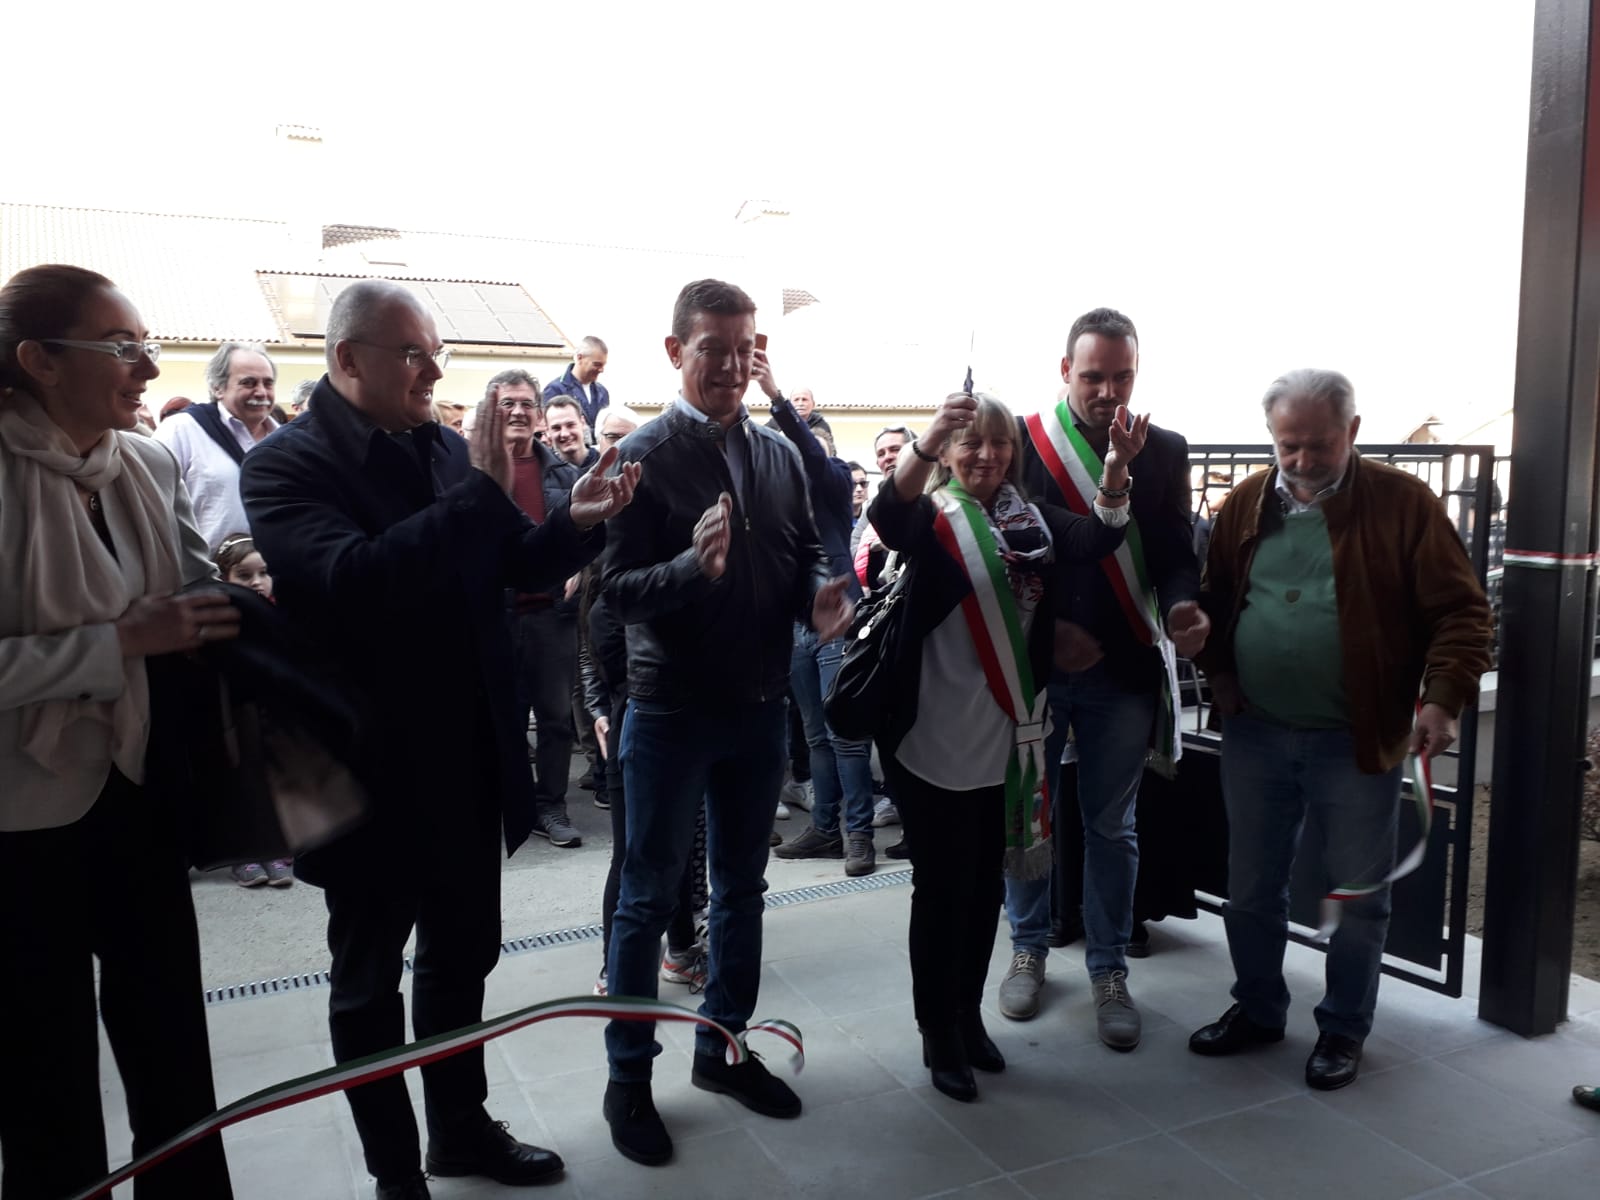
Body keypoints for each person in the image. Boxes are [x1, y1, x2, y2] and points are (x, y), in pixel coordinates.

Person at [240, 279, 638, 1199]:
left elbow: (509, 565)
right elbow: (355, 579)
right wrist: (481, 494)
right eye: (413, 354)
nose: (431, 371)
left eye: (435, 353)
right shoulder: (287, 466)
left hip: (465, 757)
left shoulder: (445, 452)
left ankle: (460, 1131)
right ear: (348, 359)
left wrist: (577, 524)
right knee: (368, 983)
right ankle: (393, 1170)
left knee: (462, 961)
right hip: (365, 770)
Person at [599, 278, 851, 1167]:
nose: (732, 366)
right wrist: (688, 570)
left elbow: (801, 554)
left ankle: (725, 1048)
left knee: (742, 889)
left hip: (757, 708)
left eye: (745, 350)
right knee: (646, 900)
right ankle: (628, 1077)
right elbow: (611, 593)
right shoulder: (639, 456)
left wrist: (817, 596)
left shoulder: (778, 454)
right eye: (714, 348)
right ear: (676, 351)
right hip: (670, 710)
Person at [0, 263, 239, 1197]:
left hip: (142, 790)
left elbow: (190, 585)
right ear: (39, 361)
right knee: (44, 1074)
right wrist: (117, 643)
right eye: (120, 346)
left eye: (145, 344)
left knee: (174, 1049)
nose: (147, 367)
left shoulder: (145, 461)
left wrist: (239, 583)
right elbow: (140, 630)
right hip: (22, 824)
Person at [1190, 368, 1492, 1091]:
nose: (1301, 460)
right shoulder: (1245, 503)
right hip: (1256, 732)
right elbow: (1217, 599)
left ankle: (1343, 1028)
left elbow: (1461, 612)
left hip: (1356, 738)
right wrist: (1218, 670)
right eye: (1287, 445)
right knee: (1249, 889)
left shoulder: (1403, 502)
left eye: (1319, 444)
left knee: (1358, 898)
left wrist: (1442, 699)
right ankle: (1258, 1007)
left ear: (1352, 431)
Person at [868, 388, 1134, 1101]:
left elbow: (1098, 537)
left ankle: (966, 1015)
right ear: (949, 452)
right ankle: (936, 1030)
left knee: (986, 884)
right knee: (941, 888)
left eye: (999, 442)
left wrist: (1114, 471)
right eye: (971, 443)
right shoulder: (933, 515)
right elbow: (887, 517)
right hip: (931, 731)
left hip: (1008, 733)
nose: (987, 455)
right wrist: (927, 440)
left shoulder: (1030, 518)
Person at [998, 307, 1209, 1056]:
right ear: (1065, 371)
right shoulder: (1020, 440)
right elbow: (1001, 554)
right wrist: (1045, 629)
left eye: (1123, 377)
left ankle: (1109, 968)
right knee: (1028, 814)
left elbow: (1174, 550)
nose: (1109, 392)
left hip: (1122, 669)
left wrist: (1181, 604)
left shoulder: (1165, 449)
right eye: (1093, 376)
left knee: (1113, 827)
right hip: (1036, 668)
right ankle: (1026, 949)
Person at [766, 380, 876, 875]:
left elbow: (810, 453)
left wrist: (776, 399)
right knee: (815, 737)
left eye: (803, 448)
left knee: (845, 734)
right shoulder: (777, 499)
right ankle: (826, 830)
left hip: (838, 620)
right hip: (796, 628)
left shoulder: (833, 482)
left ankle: (859, 835)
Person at [494, 369, 585, 848]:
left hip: (551, 615)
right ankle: (512, 805)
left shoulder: (564, 474)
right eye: (507, 403)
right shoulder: (474, 471)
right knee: (503, 721)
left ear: (539, 415)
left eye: (527, 403)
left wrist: (581, 565)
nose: (518, 411)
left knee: (555, 720)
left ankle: (551, 806)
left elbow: (588, 532)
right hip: (496, 617)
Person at [213, 531, 292, 886]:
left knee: (275, 780)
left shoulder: (281, 611)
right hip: (237, 714)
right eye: (244, 576)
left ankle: (277, 849)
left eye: (263, 573)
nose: (257, 582)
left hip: (275, 713)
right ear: (224, 577)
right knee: (243, 783)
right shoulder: (224, 618)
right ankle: (246, 854)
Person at [153, 341, 279, 550]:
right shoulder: (182, 430)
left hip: (281, 567)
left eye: (268, 383)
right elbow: (151, 508)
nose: (261, 392)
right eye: (248, 383)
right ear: (217, 388)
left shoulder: (287, 440)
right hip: (205, 569)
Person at [543, 335, 609, 433]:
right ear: (579, 358)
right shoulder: (555, 389)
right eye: (597, 364)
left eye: (603, 365)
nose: (601, 370)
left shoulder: (602, 392)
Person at [545, 394, 598, 469]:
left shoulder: (605, 464)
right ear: (547, 431)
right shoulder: (545, 471)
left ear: (582, 423)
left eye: (570, 425)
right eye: (556, 428)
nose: (564, 434)